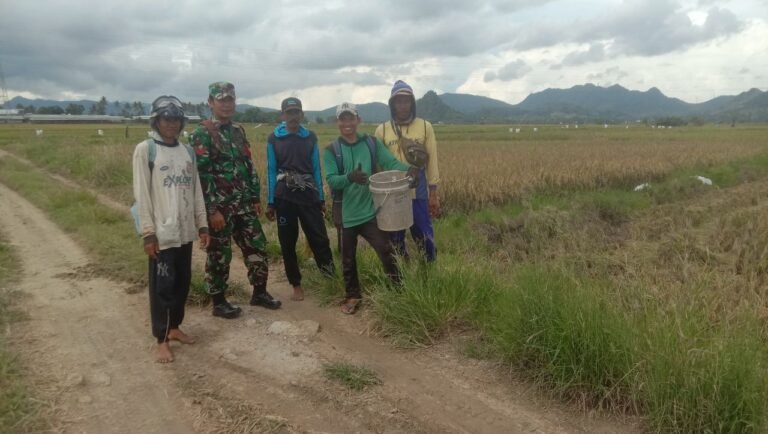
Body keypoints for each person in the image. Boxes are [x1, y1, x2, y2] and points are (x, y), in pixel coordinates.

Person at [189, 81, 281, 319]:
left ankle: (259, 292)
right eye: (221, 100)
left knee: (257, 246)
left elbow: (248, 165)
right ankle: (218, 301)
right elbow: (202, 175)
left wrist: (254, 197)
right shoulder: (202, 133)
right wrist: (212, 210)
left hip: (244, 205)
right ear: (211, 103)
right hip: (220, 208)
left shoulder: (238, 131)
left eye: (230, 99)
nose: (227, 104)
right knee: (219, 253)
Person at [132, 95, 209, 363]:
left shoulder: (187, 152)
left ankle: (175, 327)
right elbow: (142, 194)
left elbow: (196, 188)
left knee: (181, 282)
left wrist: (202, 224)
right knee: (162, 286)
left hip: (185, 231)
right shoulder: (146, 150)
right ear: (157, 121)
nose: (171, 124)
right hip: (162, 234)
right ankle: (162, 339)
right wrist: (148, 233)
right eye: (166, 119)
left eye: (176, 119)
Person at [324, 102, 418, 314]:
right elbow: (332, 180)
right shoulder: (331, 151)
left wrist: (410, 171)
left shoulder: (371, 143)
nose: (347, 123)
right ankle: (352, 295)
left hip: (370, 211)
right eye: (343, 119)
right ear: (337, 122)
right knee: (347, 258)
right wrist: (350, 177)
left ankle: (398, 291)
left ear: (358, 120)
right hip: (346, 213)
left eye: (351, 118)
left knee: (386, 251)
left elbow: (391, 162)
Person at [266, 97, 335, 301]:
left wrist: (321, 199)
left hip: (308, 195)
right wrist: (271, 202)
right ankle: (296, 284)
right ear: (282, 116)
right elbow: (271, 170)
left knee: (320, 238)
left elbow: (316, 169)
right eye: (289, 113)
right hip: (284, 197)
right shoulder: (274, 138)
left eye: (296, 112)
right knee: (288, 242)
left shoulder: (310, 137)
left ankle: (331, 279)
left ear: (302, 115)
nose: (293, 117)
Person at [374, 80, 440, 262]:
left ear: (412, 103)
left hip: (418, 189)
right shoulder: (382, 130)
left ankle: (430, 271)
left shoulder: (425, 127)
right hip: (392, 190)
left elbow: (432, 160)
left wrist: (433, 192)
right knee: (395, 239)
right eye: (398, 101)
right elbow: (378, 165)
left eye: (406, 101)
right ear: (392, 104)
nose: (402, 105)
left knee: (425, 235)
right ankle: (402, 277)